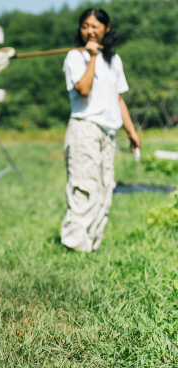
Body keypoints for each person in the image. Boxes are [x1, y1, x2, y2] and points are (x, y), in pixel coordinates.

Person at [61, 8, 141, 252]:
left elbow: (117, 99)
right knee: (85, 186)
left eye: (95, 26)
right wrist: (92, 57)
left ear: (107, 28)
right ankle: (75, 246)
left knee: (106, 188)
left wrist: (131, 132)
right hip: (85, 128)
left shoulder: (114, 60)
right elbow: (83, 90)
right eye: (85, 26)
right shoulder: (75, 57)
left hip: (109, 132)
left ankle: (92, 245)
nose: (89, 31)